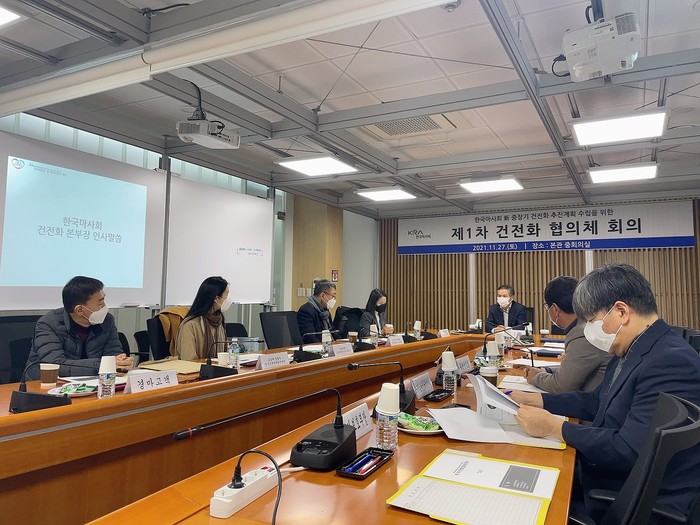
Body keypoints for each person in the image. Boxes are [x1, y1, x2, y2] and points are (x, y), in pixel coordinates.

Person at [511, 264, 700, 520]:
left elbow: (628, 450)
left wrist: (554, 428)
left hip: (624, 498)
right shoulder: (637, 347)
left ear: (621, 311)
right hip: (606, 475)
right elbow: (595, 401)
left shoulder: (669, 361)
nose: (589, 330)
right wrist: (540, 400)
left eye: (591, 321)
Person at [25, 276, 132, 379]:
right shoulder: (48, 324)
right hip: (45, 384)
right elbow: (56, 365)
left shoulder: (107, 320)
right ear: (80, 310)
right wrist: (102, 365)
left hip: (93, 382)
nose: (104, 306)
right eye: (100, 302)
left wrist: (121, 363)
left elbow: (114, 355)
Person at [521, 276, 611, 393]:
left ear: (555, 309)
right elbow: (575, 368)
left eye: (547, 307)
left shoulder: (583, 334)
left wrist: (535, 377)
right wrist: (547, 370)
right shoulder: (585, 324)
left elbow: (560, 386)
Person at [175, 276, 230, 361]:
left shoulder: (219, 321)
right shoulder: (190, 326)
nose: (228, 298)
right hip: (197, 369)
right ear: (216, 298)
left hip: (218, 368)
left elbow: (225, 353)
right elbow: (188, 360)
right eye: (227, 294)